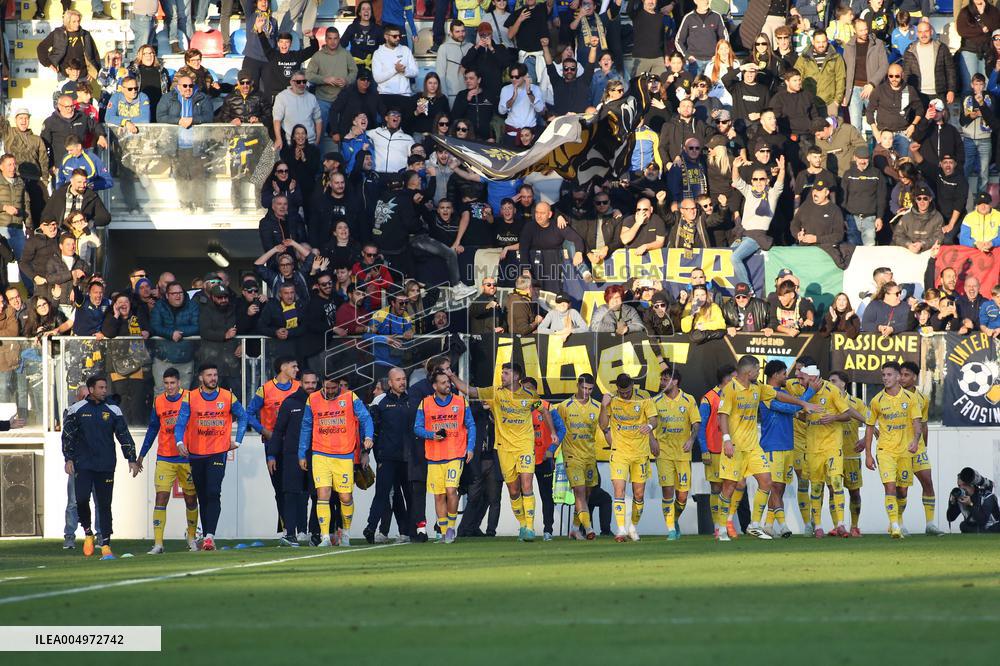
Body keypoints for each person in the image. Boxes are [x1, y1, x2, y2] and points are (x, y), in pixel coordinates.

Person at [447, 362, 553, 541]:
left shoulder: (529, 394)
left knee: (527, 485)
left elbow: (544, 411)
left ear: (516, 376)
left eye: (506, 373)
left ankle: (529, 527)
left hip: (525, 446)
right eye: (502, 372)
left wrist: (554, 433)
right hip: (504, 448)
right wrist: (452, 376)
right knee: (513, 490)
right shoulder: (495, 392)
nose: (502, 375)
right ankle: (522, 524)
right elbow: (470, 391)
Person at [717, 355, 819, 542]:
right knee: (729, 487)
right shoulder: (730, 389)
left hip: (753, 447)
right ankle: (722, 527)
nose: (759, 373)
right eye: (757, 370)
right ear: (749, 372)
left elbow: (779, 395)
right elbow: (722, 415)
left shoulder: (758, 387)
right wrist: (726, 440)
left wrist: (803, 403)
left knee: (766, 482)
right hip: (735, 446)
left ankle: (754, 525)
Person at [174, 363, 250, 551]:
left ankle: (209, 536)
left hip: (218, 452)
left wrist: (238, 441)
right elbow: (180, 423)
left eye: (215, 375)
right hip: (197, 453)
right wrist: (179, 442)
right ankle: (207, 536)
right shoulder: (190, 397)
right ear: (201, 378)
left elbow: (243, 417)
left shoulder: (227, 396)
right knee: (203, 495)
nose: (213, 378)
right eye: (209, 375)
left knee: (213, 491)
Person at [62, 375, 139, 560]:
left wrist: (131, 458)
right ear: (91, 389)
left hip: (105, 465)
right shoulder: (76, 409)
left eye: (105, 387)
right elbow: (68, 436)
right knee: (80, 500)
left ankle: (105, 544)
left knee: (104, 505)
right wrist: (68, 458)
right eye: (101, 387)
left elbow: (124, 435)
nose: (105, 391)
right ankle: (88, 532)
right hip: (84, 464)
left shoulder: (113, 409)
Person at [298, 376, 374, 547]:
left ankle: (345, 533)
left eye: (333, 387)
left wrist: (368, 437)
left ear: (339, 385)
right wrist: (302, 453)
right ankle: (325, 537)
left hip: (344, 455)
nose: (330, 391)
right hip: (320, 453)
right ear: (322, 385)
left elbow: (366, 418)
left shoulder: (350, 397)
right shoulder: (313, 399)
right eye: (327, 387)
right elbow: (306, 426)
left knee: (345, 497)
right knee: (322, 494)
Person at [138, 367, 200, 554]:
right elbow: (152, 429)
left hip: (187, 457)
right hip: (165, 457)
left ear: (179, 383)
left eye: (172, 383)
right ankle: (158, 544)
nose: (169, 387)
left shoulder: (190, 397)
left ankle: (191, 538)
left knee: (191, 499)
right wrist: (141, 454)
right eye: (166, 383)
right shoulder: (159, 402)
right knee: (161, 497)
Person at [413, 369, 475, 544]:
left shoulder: (461, 401)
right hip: (433, 456)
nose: (448, 385)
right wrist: (432, 435)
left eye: (448, 382)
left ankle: (451, 529)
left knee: (451, 490)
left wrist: (470, 448)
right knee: (439, 495)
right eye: (443, 383)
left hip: (455, 454)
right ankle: (442, 530)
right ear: (434, 386)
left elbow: (471, 425)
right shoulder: (425, 404)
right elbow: (416, 428)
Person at [863, 361, 922, 539]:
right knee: (889, 487)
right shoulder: (876, 401)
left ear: (898, 377)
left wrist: (915, 440)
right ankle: (895, 526)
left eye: (889, 375)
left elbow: (917, 423)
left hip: (905, 451)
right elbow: (869, 427)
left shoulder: (911, 399)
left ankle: (897, 519)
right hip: (885, 450)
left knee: (902, 490)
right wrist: (868, 454)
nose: (886, 378)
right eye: (883, 375)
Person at [759, 360, 817, 538]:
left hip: (787, 445)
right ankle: (783, 525)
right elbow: (788, 408)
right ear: (775, 374)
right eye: (784, 374)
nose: (786, 377)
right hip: (773, 446)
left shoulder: (784, 392)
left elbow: (792, 409)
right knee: (775, 486)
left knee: (781, 487)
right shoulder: (767, 394)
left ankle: (768, 525)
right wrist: (809, 394)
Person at [598, 373, 657, 542]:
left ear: (633, 386)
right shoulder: (612, 400)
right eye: (621, 392)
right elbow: (603, 425)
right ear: (617, 389)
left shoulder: (643, 398)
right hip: (619, 452)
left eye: (627, 391)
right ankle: (621, 529)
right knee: (619, 490)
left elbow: (654, 419)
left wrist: (650, 425)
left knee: (639, 495)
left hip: (640, 453)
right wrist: (603, 407)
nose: (624, 395)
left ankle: (632, 526)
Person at [247, 356, 301, 536]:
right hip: (275, 445)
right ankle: (287, 528)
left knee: (298, 488)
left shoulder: (299, 387)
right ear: (283, 366)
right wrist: (263, 430)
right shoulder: (265, 389)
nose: (297, 369)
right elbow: (248, 413)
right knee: (279, 488)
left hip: (296, 445)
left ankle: (301, 529)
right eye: (294, 365)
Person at [266, 369, 320, 546]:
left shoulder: (322, 401)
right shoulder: (290, 403)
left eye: (313, 383)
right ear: (301, 383)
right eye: (307, 383)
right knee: (290, 494)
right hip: (292, 456)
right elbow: (278, 430)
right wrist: (272, 454)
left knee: (318, 494)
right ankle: (290, 533)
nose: (310, 386)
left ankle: (316, 533)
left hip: (317, 455)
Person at [650, 368, 700, 541]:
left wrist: (692, 440)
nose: (662, 383)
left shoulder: (688, 400)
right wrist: (652, 440)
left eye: (666, 380)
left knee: (682, 496)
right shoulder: (656, 400)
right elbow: (650, 422)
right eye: (661, 379)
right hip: (663, 453)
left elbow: (696, 424)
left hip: (683, 453)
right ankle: (671, 529)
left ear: (675, 382)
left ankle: (675, 518)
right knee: (667, 492)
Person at [364, 367, 412, 544]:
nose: (402, 382)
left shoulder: (413, 400)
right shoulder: (380, 402)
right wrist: (366, 453)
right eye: (398, 379)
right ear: (390, 383)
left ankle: (408, 531)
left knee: (407, 495)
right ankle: (371, 528)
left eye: (404, 379)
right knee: (382, 493)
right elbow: (372, 430)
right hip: (387, 456)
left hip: (408, 458)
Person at [897, 361, 943, 536]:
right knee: (902, 489)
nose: (902, 378)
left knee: (928, 481)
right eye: (900, 374)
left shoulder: (923, 398)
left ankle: (930, 524)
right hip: (901, 448)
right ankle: (898, 523)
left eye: (906, 375)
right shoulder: (894, 396)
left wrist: (924, 447)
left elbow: (924, 425)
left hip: (919, 448)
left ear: (914, 377)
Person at [157, 74, 214, 213]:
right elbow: (160, 116)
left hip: (197, 145)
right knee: (181, 177)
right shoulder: (168, 98)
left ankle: (199, 204)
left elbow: (209, 116)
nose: (188, 89)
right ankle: (185, 204)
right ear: (178, 86)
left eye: (190, 86)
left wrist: (193, 120)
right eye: (185, 86)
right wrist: (178, 120)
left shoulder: (203, 98)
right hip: (177, 146)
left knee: (198, 176)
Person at [556, 374, 601, 540]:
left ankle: (575, 528)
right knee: (579, 492)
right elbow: (557, 430)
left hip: (589, 456)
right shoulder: (565, 406)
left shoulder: (597, 407)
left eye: (590, 389)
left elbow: (604, 427)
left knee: (586, 495)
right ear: (578, 386)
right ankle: (589, 529)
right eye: (584, 388)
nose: (586, 392)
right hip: (572, 456)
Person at [842, 19, 889, 136]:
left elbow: (884, 66)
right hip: (854, 90)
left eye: (865, 29)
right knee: (855, 127)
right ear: (854, 30)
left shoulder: (878, 44)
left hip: (872, 89)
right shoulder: (848, 47)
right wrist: (845, 93)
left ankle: (878, 153)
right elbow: (845, 70)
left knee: (876, 125)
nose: (864, 32)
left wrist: (872, 84)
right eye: (861, 30)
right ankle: (859, 153)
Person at [371, 25, 419, 116]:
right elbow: (377, 78)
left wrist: (404, 71)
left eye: (399, 36)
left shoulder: (405, 50)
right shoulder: (378, 53)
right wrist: (395, 70)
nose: (397, 38)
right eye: (394, 36)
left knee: (405, 128)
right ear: (386, 36)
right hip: (385, 96)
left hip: (404, 95)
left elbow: (415, 72)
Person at [272, 71, 323, 151]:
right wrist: (278, 139)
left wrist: (317, 141)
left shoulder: (312, 98)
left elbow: (318, 120)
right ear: (291, 82)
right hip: (290, 143)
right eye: (298, 82)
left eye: (304, 81)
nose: (302, 84)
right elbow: (277, 120)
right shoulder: (282, 97)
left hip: (310, 143)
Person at [946, 467, 1000, 533]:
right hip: (975, 527)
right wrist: (952, 503)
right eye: (959, 486)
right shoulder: (961, 498)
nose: (962, 488)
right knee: (963, 525)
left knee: (964, 526)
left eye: (965, 485)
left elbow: (982, 521)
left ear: (973, 485)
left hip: (991, 527)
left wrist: (970, 504)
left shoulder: (987, 496)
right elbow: (950, 518)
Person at [894, 185, 944, 253]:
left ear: (930, 199)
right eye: (919, 198)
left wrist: (922, 244)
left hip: (928, 252)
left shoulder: (938, 217)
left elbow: (939, 237)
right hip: (908, 251)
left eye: (925, 198)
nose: (922, 201)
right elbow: (897, 235)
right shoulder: (907, 217)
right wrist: (908, 244)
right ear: (915, 200)